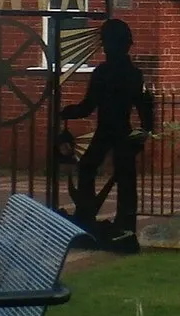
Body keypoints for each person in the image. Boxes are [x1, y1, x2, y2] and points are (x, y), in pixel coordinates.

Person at [60, 17, 154, 246]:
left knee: (88, 169)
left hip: (108, 131)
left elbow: (87, 106)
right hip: (123, 132)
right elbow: (145, 109)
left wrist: (66, 112)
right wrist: (143, 134)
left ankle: (87, 219)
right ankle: (125, 227)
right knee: (125, 181)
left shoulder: (103, 72)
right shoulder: (134, 73)